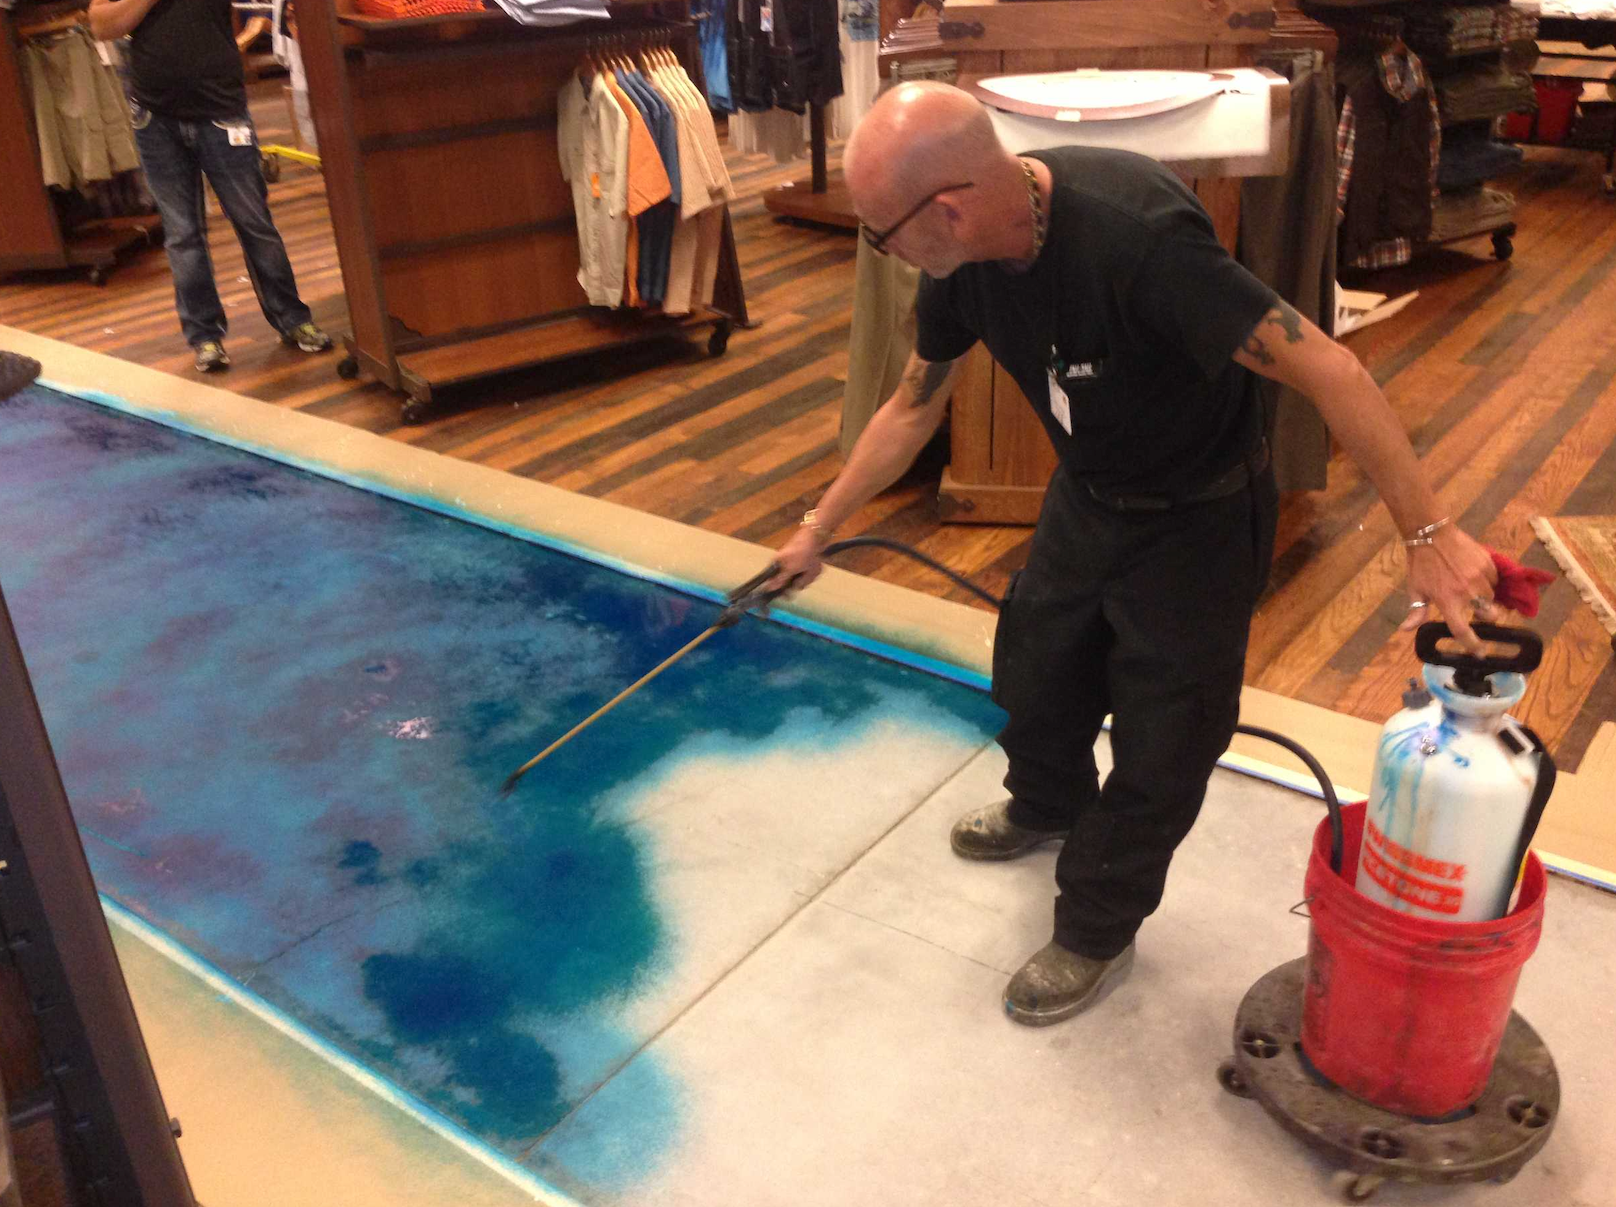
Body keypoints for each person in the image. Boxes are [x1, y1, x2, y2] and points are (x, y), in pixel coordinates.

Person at [768, 83, 1505, 1027]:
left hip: (1197, 515)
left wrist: (1429, 535)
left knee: (1166, 742)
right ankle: (1043, 802)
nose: (882, 249)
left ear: (944, 210)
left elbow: (1331, 366)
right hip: (1090, 495)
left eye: (880, 232)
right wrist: (816, 530)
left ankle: (1094, 927)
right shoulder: (961, 267)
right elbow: (912, 406)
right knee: (1036, 669)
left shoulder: (1138, 238)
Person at [88, 0, 331, 373]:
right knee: (183, 234)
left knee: (254, 223)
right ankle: (205, 337)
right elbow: (102, 24)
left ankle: (292, 319)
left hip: (221, 108)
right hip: (155, 116)